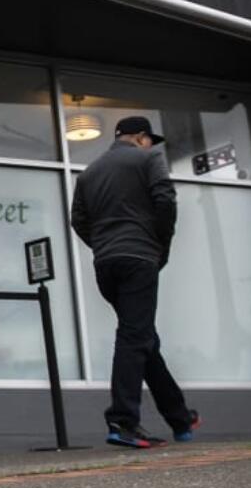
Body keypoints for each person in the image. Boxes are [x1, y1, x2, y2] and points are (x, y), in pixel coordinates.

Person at [70, 115, 200, 447]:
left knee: (142, 338)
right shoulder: (148, 158)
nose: (151, 146)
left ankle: (180, 418)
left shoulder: (89, 173)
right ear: (140, 137)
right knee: (134, 336)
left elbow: (78, 220)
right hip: (139, 259)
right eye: (149, 140)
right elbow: (165, 200)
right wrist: (159, 243)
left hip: (106, 264)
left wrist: (102, 245)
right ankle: (123, 421)